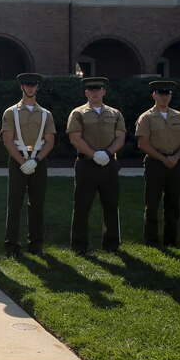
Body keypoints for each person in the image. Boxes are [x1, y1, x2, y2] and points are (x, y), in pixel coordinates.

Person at [66, 76, 126, 254]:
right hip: (86, 163)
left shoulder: (115, 113)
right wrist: (94, 154)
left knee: (111, 204)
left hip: (109, 163)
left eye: (98, 89)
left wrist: (107, 153)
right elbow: (75, 138)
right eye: (91, 89)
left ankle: (112, 244)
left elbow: (120, 137)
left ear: (103, 91)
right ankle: (79, 245)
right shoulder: (77, 113)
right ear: (86, 92)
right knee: (82, 205)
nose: (94, 92)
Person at [1, 73, 56, 257]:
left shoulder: (46, 114)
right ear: (21, 87)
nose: (30, 88)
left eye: (33, 85)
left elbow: (49, 141)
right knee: (14, 204)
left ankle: (36, 245)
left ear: (37, 88)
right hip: (18, 160)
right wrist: (23, 162)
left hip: (38, 161)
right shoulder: (11, 112)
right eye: (27, 85)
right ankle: (12, 245)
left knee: (37, 204)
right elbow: (8, 141)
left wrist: (36, 160)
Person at [134, 80, 180, 247]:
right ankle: (151, 240)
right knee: (152, 203)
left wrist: (175, 157)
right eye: (161, 93)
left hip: (175, 162)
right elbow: (143, 143)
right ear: (154, 95)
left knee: (173, 203)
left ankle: (170, 240)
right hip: (155, 163)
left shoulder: (179, 116)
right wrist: (163, 159)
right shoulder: (147, 117)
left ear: (170, 96)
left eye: (167, 93)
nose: (164, 96)